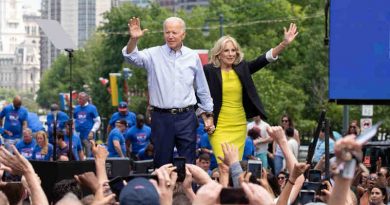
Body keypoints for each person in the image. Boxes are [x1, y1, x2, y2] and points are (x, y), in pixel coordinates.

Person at [203, 23, 298, 170]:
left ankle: (233, 192)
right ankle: (224, 192)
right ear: (218, 54)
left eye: (233, 50)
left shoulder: (242, 68)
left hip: (239, 124)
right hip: (219, 126)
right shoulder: (209, 70)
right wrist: (206, 118)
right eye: (226, 50)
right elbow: (199, 94)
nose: (230, 54)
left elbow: (263, 59)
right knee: (223, 165)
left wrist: (283, 44)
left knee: (234, 165)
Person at [122, 16, 214, 167]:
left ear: (183, 34)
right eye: (167, 32)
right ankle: (164, 191)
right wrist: (134, 40)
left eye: (174, 32)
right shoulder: (153, 54)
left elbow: (202, 88)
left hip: (186, 117)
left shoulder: (192, 56)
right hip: (161, 117)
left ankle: (185, 191)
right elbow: (131, 57)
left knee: (187, 164)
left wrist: (208, 114)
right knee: (162, 164)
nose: (170, 36)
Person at [73, 92, 101, 157]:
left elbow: (98, 121)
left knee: (89, 153)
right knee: (78, 153)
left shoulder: (92, 108)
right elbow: (74, 120)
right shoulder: (76, 108)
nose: (78, 100)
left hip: (88, 135)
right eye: (78, 98)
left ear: (85, 99)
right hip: (78, 135)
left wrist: (92, 131)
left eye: (80, 99)